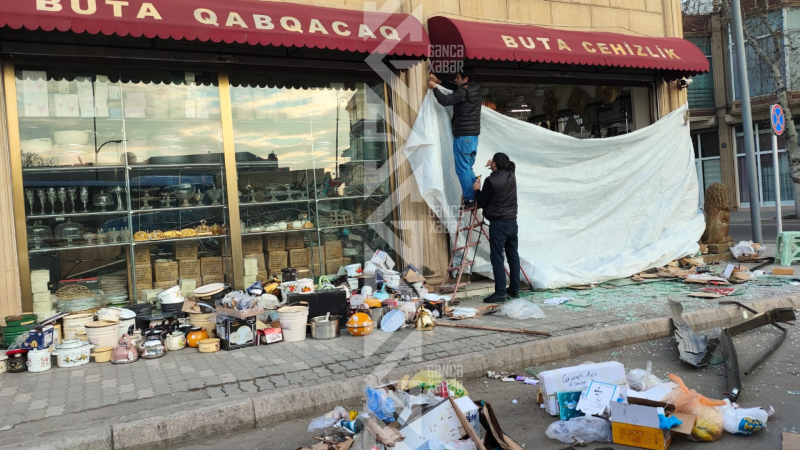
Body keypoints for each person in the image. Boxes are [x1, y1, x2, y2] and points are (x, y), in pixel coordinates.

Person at [428, 68, 482, 209]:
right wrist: (439, 81)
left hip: (463, 137)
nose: (455, 80)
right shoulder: (475, 89)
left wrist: (434, 88)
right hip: (473, 137)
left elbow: (446, 100)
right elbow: (455, 88)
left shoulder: (463, 92)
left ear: (466, 79)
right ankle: (476, 195)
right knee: (467, 167)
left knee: (462, 169)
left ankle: (469, 200)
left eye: (458, 77)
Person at [473, 153, 519, 303]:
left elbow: (483, 202)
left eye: (493, 162)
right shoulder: (511, 173)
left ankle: (500, 292)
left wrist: (476, 190)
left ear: (495, 165)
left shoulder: (490, 180)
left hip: (498, 224)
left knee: (497, 257)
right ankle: (514, 289)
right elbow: (510, 163)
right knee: (513, 256)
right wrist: (496, 162)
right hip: (512, 222)